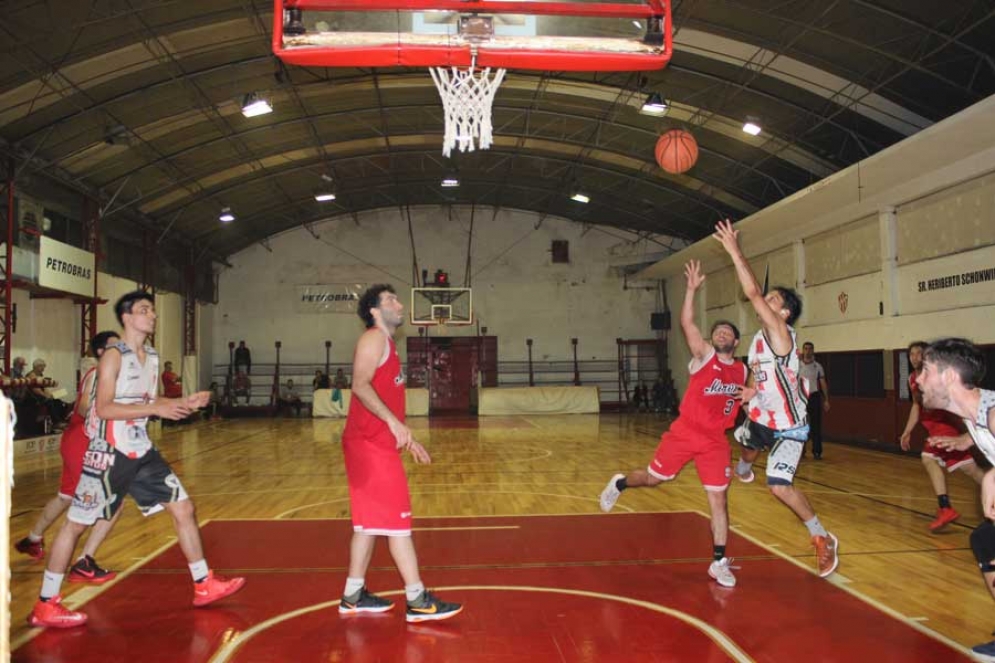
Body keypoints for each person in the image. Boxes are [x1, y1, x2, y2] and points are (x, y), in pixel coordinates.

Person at [27, 290, 245, 628]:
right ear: (127, 317)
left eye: (153, 311)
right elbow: (103, 408)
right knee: (76, 525)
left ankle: (203, 584)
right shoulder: (113, 356)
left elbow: (149, 399)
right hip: (108, 452)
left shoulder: (153, 356)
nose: (153, 316)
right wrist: (156, 408)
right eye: (145, 310)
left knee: (184, 508)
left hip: (141, 450)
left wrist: (186, 402)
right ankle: (46, 603)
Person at [600, 260, 749, 588]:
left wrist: (754, 401)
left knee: (719, 500)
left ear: (736, 342)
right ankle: (621, 483)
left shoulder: (742, 372)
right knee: (653, 479)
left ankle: (719, 561)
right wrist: (691, 291)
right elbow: (687, 323)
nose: (721, 333)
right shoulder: (704, 356)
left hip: (715, 441)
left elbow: (751, 398)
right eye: (718, 331)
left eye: (728, 332)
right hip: (684, 433)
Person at [713, 219, 839, 578]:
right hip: (761, 416)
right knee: (748, 444)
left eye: (773, 300)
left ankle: (822, 537)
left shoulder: (781, 333)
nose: (764, 301)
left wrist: (734, 250)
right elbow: (758, 371)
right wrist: (751, 389)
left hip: (790, 427)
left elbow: (751, 292)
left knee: (779, 486)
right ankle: (745, 466)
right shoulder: (756, 340)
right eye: (767, 299)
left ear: (783, 314)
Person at [339, 284, 462, 622]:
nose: (398, 303)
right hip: (370, 445)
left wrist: (406, 437)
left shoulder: (388, 344)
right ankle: (418, 599)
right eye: (390, 299)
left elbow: (382, 397)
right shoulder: (374, 338)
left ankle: (352, 594)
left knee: (368, 527)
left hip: (373, 443)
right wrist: (394, 425)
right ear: (375, 311)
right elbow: (360, 385)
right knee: (397, 526)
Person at [14, 331, 122, 584]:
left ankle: (33, 539)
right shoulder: (98, 373)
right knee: (111, 500)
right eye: (115, 346)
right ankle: (84, 560)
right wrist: (102, 415)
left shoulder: (112, 375)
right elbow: (83, 406)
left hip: (79, 441)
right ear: (100, 352)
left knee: (66, 496)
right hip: (83, 442)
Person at [912, 338, 995, 660]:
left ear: (948, 376)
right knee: (985, 540)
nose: (918, 379)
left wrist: (990, 475)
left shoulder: (990, 413)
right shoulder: (975, 416)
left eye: (926, 371)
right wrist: (963, 441)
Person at [900, 340, 984, 531]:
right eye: (911, 354)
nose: (914, 357)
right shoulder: (913, 378)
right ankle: (946, 507)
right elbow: (916, 406)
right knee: (970, 469)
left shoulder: (937, 376)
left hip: (945, 425)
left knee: (928, 458)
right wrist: (907, 431)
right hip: (933, 427)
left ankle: (945, 507)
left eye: (918, 353)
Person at [798, 342, 830, 459]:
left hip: (814, 397)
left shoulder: (818, 366)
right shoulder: (797, 366)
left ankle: (817, 452)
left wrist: (826, 400)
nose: (808, 351)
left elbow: (822, 383)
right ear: (803, 350)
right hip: (801, 398)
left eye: (810, 349)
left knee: (816, 426)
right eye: (805, 349)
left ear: (813, 351)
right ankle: (801, 451)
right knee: (801, 425)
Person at [26, 358, 67, 427]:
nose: (43, 368)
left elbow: (44, 388)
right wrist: (46, 396)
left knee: (58, 401)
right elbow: (36, 390)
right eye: (41, 366)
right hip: (34, 398)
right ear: (36, 366)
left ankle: (60, 420)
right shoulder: (31, 375)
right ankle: (56, 422)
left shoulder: (40, 375)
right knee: (49, 402)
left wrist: (50, 395)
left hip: (40, 396)